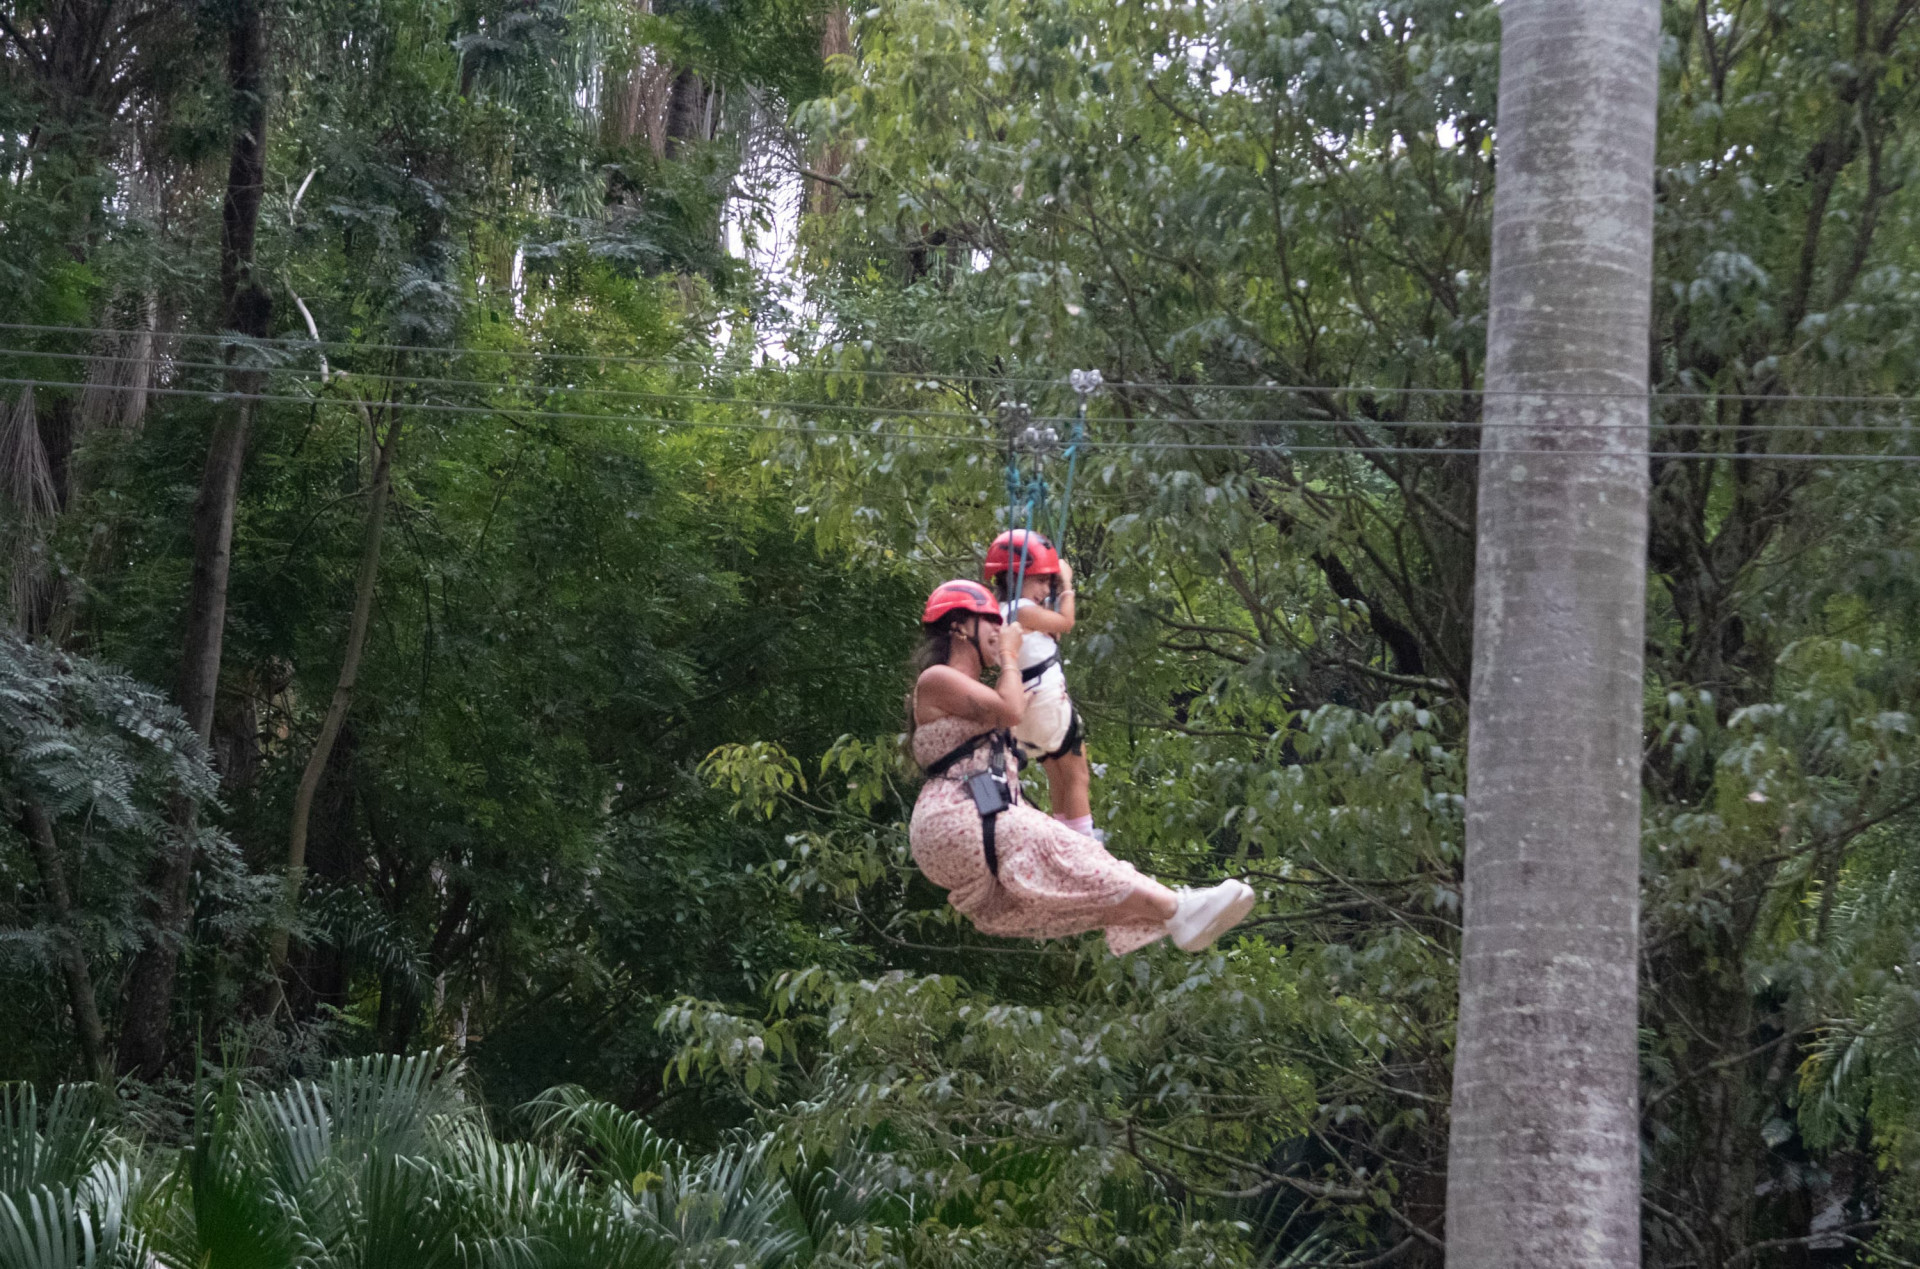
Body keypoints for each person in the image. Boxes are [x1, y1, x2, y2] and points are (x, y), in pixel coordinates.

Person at [907, 579, 1255, 954]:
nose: (999, 629)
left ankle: (1174, 916)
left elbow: (1031, 718)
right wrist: (1010, 655)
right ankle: (1177, 908)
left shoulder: (977, 693)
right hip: (956, 819)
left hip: (984, 818)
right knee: (1050, 843)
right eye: (990, 621)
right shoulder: (936, 679)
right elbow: (1010, 710)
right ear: (959, 626)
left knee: (1076, 862)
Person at [983, 530, 1097, 837]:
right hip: (1047, 704)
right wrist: (1067, 586)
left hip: (1026, 715)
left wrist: (1050, 592)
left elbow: (1052, 633)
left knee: (1058, 778)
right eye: (1040, 580)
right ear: (1015, 577)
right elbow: (1066, 623)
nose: (1045, 588)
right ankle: (1084, 847)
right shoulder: (1022, 610)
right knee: (1077, 777)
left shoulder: (1001, 614)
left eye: (1049, 582)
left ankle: (1066, 837)